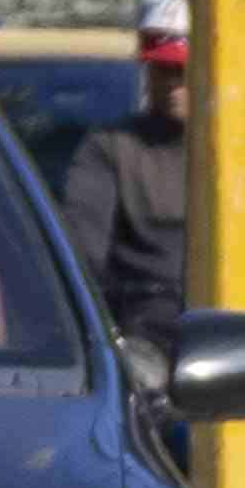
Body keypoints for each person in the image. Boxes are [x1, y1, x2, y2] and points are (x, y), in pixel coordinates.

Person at [56, 29, 192, 367]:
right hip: (145, 326)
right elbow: (84, 254)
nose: (174, 85)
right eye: (164, 71)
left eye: (184, 73)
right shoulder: (112, 147)